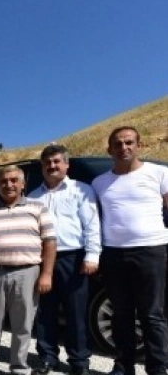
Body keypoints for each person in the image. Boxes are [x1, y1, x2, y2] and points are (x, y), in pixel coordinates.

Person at [91, 126, 168, 375]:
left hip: (151, 251)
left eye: (129, 142)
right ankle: (123, 366)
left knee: (152, 315)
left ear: (139, 145)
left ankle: (157, 368)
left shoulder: (159, 173)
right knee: (121, 314)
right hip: (113, 254)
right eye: (118, 144)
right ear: (109, 150)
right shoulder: (99, 183)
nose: (123, 147)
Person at [0, 166, 57, 375]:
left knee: (23, 324)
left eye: (13, 180)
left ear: (23, 184)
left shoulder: (38, 208)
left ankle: (19, 367)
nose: (8, 185)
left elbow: (49, 242)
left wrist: (47, 274)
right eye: (3, 181)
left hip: (27, 273)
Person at [28, 145, 101, 375]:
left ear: (66, 164)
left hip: (73, 258)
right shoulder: (33, 197)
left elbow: (92, 225)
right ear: (42, 166)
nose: (52, 166)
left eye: (56, 161)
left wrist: (92, 255)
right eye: (47, 162)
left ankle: (79, 361)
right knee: (45, 313)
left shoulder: (82, 190)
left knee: (76, 312)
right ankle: (47, 358)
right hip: (41, 260)